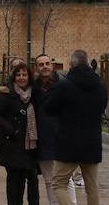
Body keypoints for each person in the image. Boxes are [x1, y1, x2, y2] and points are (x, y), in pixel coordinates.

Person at [42, 50, 106, 205]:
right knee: (92, 186)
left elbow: (49, 107)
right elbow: (102, 106)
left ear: (71, 64)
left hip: (68, 142)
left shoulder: (65, 85)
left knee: (58, 183)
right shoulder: (99, 85)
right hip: (92, 142)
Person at [0, 61, 41, 205]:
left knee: (33, 180)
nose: (21, 77)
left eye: (24, 74)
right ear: (13, 77)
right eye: (18, 75)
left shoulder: (35, 94)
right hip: (12, 145)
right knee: (15, 182)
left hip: (31, 146)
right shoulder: (6, 94)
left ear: (29, 76)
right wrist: (12, 130)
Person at [32, 54, 75, 205]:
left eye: (47, 63)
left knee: (65, 178)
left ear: (52, 65)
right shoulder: (34, 88)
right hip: (43, 138)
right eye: (41, 64)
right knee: (49, 180)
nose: (44, 67)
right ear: (36, 68)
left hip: (61, 137)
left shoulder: (63, 84)